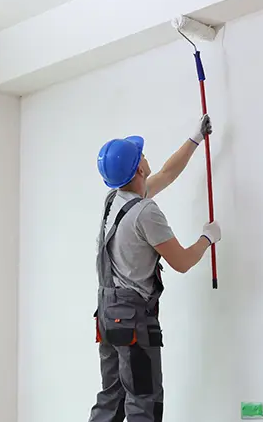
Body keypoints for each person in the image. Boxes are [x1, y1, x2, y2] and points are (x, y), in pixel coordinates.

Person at [89, 114, 222, 422]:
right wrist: (207, 238)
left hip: (107, 317)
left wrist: (195, 138)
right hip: (133, 323)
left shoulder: (116, 200)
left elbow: (167, 173)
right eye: (142, 155)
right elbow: (183, 262)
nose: (147, 158)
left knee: (111, 398)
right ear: (138, 168)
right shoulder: (146, 212)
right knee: (143, 403)